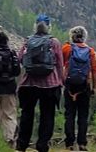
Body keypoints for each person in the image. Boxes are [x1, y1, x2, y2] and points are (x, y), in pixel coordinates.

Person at [16, 13, 64, 152]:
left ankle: (22, 144)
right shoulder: (54, 42)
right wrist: (60, 81)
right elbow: (60, 64)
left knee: (27, 114)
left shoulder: (27, 41)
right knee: (47, 115)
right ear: (49, 27)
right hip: (50, 84)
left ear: (35, 26)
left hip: (29, 83)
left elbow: (20, 59)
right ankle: (42, 145)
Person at [62, 26, 96, 151]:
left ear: (72, 36)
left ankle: (69, 143)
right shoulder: (90, 51)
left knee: (69, 115)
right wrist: (94, 88)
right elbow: (94, 71)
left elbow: (59, 64)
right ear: (84, 37)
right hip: (84, 87)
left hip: (69, 86)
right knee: (83, 115)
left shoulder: (67, 48)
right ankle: (82, 143)